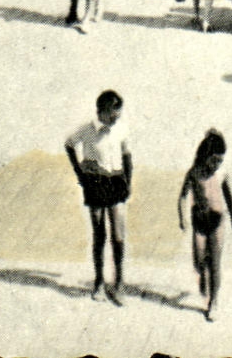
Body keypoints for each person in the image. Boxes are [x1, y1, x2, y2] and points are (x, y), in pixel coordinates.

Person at [65, 90, 131, 304]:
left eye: (118, 114)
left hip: (116, 181)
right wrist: (80, 173)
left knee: (118, 236)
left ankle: (119, 284)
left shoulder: (120, 129)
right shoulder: (87, 130)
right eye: (113, 113)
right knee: (99, 235)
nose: (116, 117)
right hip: (95, 183)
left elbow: (127, 155)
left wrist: (128, 181)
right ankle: (99, 283)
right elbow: (69, 144)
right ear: (102, 111)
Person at [178, 129, 232, 322]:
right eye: (214, 160)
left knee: (215, 264)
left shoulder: (221, 173)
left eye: (220, 161)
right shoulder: (194, 172)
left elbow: (228, 194)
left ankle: (214, 301)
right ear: (205, 156)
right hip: (199, 222)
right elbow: (182, 196)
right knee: (198, 260)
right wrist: (182, 218)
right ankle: (202, 274)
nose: (217, 164)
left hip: (217, 221)